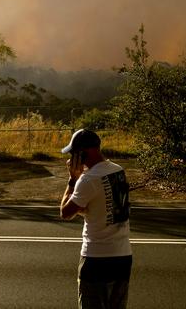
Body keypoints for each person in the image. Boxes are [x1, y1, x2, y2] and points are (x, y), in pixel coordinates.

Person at [60, 129, 132, 309]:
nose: (72, 157)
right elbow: (102, 205)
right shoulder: (118, 171)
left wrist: (72, 180)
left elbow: (66, 212)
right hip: (123, 257)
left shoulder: (87, 180)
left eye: (74, 152)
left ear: (86, 151)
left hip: (96, 258)